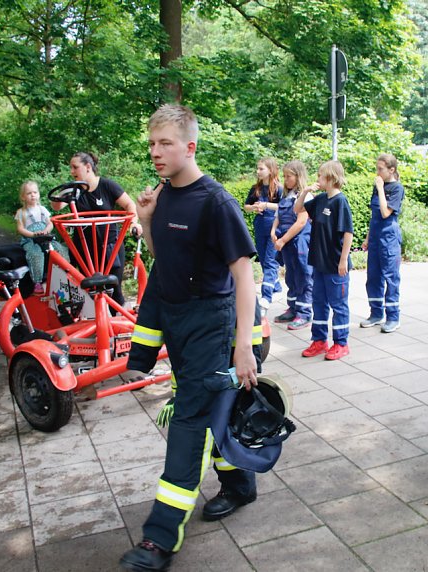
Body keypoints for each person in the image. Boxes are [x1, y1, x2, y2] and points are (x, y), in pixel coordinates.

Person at [119, 104, 259, 572]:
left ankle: (158, 540)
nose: (155, 152)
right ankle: (239, 484)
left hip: (211, 325)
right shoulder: (162, 195)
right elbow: (165, 257)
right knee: (210, 406)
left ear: (190, 147)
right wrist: (147, 219)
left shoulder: (216, 202)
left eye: (166, 144)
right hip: (177, 325)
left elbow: (244, 275)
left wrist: (243, 345)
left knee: (188, 421)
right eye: (152, 143)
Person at [51, 152, 141, 308]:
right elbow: (57, 206)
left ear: (87, 167)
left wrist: (134, 223)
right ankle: (98, 326)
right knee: (91, 290)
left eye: (75, 167)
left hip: (109, 246)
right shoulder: (76, 190)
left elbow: (130, 205)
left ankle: (115, 325)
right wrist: (65, 191)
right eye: (70, 168)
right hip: (86, 248)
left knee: (115, 289)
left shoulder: (107, 185)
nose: (72, 172)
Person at [295, 160, 354, 361]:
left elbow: (348, 232)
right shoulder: (320, 199)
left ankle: (341, 343)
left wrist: (343, 260)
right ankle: (319, 341)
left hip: (335, 265)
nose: (317, 178)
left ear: (330, 178)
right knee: (319, 303)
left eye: (320, 175)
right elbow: (297, 209)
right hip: (319, 263)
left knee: (338, 305)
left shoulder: (340, 202)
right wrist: (304, 191)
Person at [361, 153, 405, 333]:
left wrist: (380, 189)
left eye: (380, 169)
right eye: (377, 168)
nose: (377, 172)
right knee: (373, 277)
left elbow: (386, 212)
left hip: (389, 238)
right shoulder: (379, 185)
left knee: (391, 277)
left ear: (391, 170)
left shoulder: (396, 188)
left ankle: (393, 317)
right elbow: (375, 215)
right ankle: (376, 313)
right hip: (375, 237)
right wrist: (367, 237)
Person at [271, 160, 314, 330]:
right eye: (284, 176)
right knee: (291, 276)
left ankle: (304, 313)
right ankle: (293, 307)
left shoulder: (305, 195)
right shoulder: (286, 195)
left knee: (304, 276)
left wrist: (283, 240)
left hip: (300, 242)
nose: (285, 179)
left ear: (298, 176)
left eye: (288, 176)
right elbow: (278, 216)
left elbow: (301, 222)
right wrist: (273, 231)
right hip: (287, 243)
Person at [15, 180, 69, 294]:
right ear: (23, 197)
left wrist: (45, 231)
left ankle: (66, 273)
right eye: (29, 193)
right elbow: (20, 229)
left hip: (45, 237)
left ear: (38, 194)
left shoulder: (42, 209)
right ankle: (37, 282)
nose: (33, 195)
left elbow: (50, 223)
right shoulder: (21, 212)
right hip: (30, 239)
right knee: (35, 254)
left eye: (35, 192)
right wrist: (33, 235)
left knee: (60, 249)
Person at [243, 158, 282, 308]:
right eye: (257, 169)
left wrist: (266, 205)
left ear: (270, 170)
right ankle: (276, 287)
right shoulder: (255, 188)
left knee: (271, 261)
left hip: (274, 229)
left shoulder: (279, 188)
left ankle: (266, 296)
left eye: (261, 169)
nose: (258, 171)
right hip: (260, 227)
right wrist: (254, 208)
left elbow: (284, 206)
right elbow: (246, 205)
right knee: (264, 260)